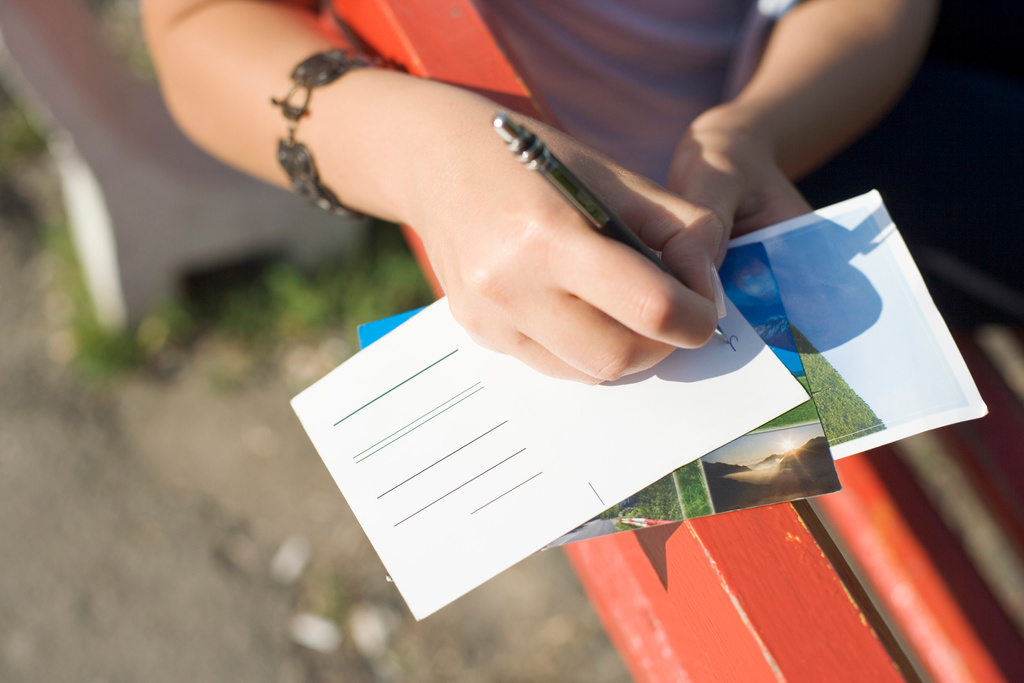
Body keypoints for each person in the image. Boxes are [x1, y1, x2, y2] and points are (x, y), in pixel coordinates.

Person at [142, 0, 939, 383]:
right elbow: (196, 26)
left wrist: (755, 131)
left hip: (804, 107)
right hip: (625, 209)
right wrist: (419, 151)